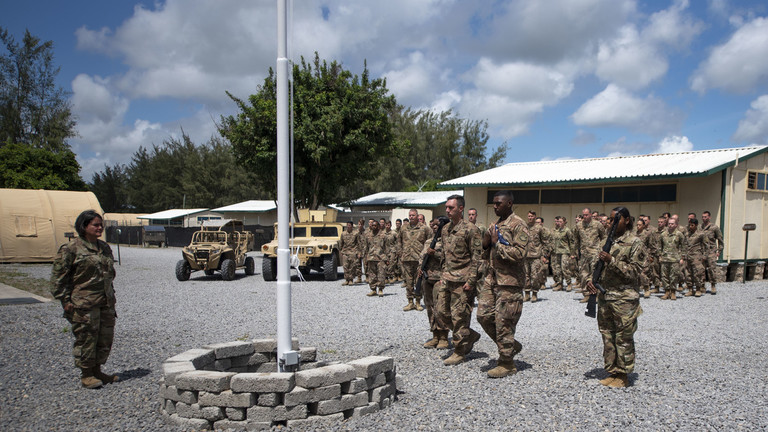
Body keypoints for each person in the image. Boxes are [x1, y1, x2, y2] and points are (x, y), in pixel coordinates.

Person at [51, 210, 119, 389]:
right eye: (95, 225)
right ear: (84, 226)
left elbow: (109, 274)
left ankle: (97, 370)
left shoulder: (104, 247)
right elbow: (58, 279)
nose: (99, 228)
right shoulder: (71, 249)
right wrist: (66, 301)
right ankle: (86, 374)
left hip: (105, 302)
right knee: (87, 338)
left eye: (100, 224)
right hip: (83, 304)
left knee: (104, 338)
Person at [586, 207, 643, 388]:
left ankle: (624, 375)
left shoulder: (635, 242)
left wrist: (612, 261)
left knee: (623, 337)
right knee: (608, 336)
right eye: (610, 220)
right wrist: (591, 280)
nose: (610, 223)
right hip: (606, 296)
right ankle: (613, 371)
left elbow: (635, 271)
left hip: (624, 298)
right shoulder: (605, 241)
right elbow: (596, 266)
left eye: (615, 220)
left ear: (626, 220)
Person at [476, 191, 528, 378]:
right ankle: (511, 345)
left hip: (510, 281)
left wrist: (497, 245)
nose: (495, 206)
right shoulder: (495, 225)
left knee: (504, 322)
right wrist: (486, 244)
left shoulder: (519, 225)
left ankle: (507, 363)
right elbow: (487, 254)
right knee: (483, 315)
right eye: (494, 203)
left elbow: (520, 254)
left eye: (499, 203)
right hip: (492, 279)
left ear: (509, 204)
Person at [437, 195, 482, 366]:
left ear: (461, 209)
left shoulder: (471, 229)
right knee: (441, 313)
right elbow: (445, 256)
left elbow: (477, 258)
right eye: (446, 207)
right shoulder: (445, 229)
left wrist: (471, 280)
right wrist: (442, 276)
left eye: (451, 208)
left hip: (463, 281)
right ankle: (469, 335)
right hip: (447, 279)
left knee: (459, 317)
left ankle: (459, 351)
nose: (447, 210)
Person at [418, 218, 450, 349]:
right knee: (430, 308)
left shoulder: (447, 242)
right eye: (433, 225)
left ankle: (443, 336)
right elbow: (421, 258)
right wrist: (419, 269)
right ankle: (435, 335)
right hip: (427, 278)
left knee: (440, 308)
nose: (435, 227)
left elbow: (449, 259)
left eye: (438, 225)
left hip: (440, 278)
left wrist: (435, 253)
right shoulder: (428, 242)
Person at [398, 209, 432, 311]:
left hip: (419, 260)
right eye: (410, 215)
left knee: (419, 282)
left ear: (417, 216)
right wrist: (400, 253)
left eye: (413, 215)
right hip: (407, 259)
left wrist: (426, 256)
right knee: (408, 282)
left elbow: (429, 241)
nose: (411, 217)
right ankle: (410, 302)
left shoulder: (424, 228)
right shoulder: (403, 228)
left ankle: (418, 302)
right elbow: (399, 241)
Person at [573, 208, 605, 303]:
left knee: (596, 274)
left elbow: (603, 237)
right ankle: (586, 294)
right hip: (584, 254)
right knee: (583, 274)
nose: (585, 217)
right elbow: (576, 240)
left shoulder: (597, 224)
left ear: (590, 214)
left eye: (587, 215)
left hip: (595, 254)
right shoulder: (579, 226)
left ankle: (597, 295)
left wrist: (602, 250)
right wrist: (576, 252)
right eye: (584, 215)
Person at [523, 211, 549, 302]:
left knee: (535, 276)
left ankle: (534, 293)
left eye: (532, 216)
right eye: (529, 216)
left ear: (535, 217)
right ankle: (526, 293)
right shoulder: (524, 227)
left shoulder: (539, 228)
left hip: (536, 256)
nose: (530, 218)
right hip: (525, 256)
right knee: (525, 276)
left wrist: (544, 255)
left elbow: (545, 242)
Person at [659, 217, 686, 300]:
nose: (670, 225)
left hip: (675, 259)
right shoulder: (663, 234)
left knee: (674, 276)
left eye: (672, 224)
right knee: (664, 276)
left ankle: (673, 292)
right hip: (665, 259)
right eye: (669, 223)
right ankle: (667, 292)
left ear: (676, 225)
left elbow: (684, 246)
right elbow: (659, 246)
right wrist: (660, 256)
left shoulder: (679, 234)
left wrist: (682, 257)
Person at [700, 211, 724, 294]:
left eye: (705, 217)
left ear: (709, 217)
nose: (704, 218)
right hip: (702, 252)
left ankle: (713, 285)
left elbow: (720, 240)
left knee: (711, 269)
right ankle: (702, 286)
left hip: (711, 251)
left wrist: (719, 251)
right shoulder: (700, 227)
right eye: (703, 217)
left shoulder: (714, 227)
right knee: (701, 269)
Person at [363, 220, 388, 297]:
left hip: (381, 258)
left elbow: (387, 248)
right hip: (371, 258)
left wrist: (387, 259)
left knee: (381, 274)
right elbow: (366, 248)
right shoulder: (368, 235)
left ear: (378, 226)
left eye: (375, 225)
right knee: (372, 275)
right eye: (372, 225)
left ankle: (380, 289)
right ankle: (373, 290)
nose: (373, 227)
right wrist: (365, 259)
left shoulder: (383, 236)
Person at [550, 216, 575, 291]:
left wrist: (572, 253)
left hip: (565, 252)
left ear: (564, 222)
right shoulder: (557, 231)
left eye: (561, 222)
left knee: (564, 268)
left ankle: (569, 283)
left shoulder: (567, 230)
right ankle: (560, 284)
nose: (559, 223)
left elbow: (572, 242)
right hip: (557, 252)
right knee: (558, 269)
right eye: (559, 222)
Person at [684, 218, 707, 297]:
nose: (690, 227)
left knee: (697, 273)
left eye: (692, 225)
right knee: (688, 274)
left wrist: (705, 255)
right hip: (688, 257)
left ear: (696, 225)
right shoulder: (687, 234)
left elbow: (706, 245)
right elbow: (684, 245)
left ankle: (698, 289)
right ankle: (690, 289)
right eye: (690, 225)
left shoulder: (701, 234)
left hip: (696, 256)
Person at [339, 221, 360, 285]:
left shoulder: (356, 233)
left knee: (352, 266)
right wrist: (340, 251)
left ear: (352, 226)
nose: (348, 226)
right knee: (345, 266)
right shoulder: (343, 234)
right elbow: (341, 243)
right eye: (347, 225)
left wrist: (359, 252)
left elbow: (359, 243)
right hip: (345, 252)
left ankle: (351, 279)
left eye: (349, 225)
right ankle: (346, 279)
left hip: (353, 252)